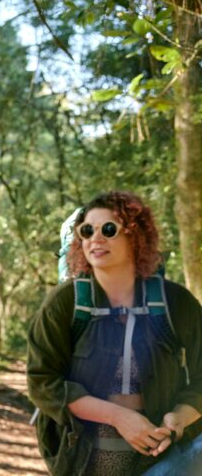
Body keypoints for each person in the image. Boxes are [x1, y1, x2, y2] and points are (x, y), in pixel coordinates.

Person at [27, 190, 202, 476]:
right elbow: (42, 382)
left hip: (162, 457)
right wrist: (119, 417)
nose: (95, 238)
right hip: (85, 457)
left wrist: (179, 418)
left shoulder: (177, 303)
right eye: (87, 230)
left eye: (108, 229)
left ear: (136, 236)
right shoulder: (64, 303)